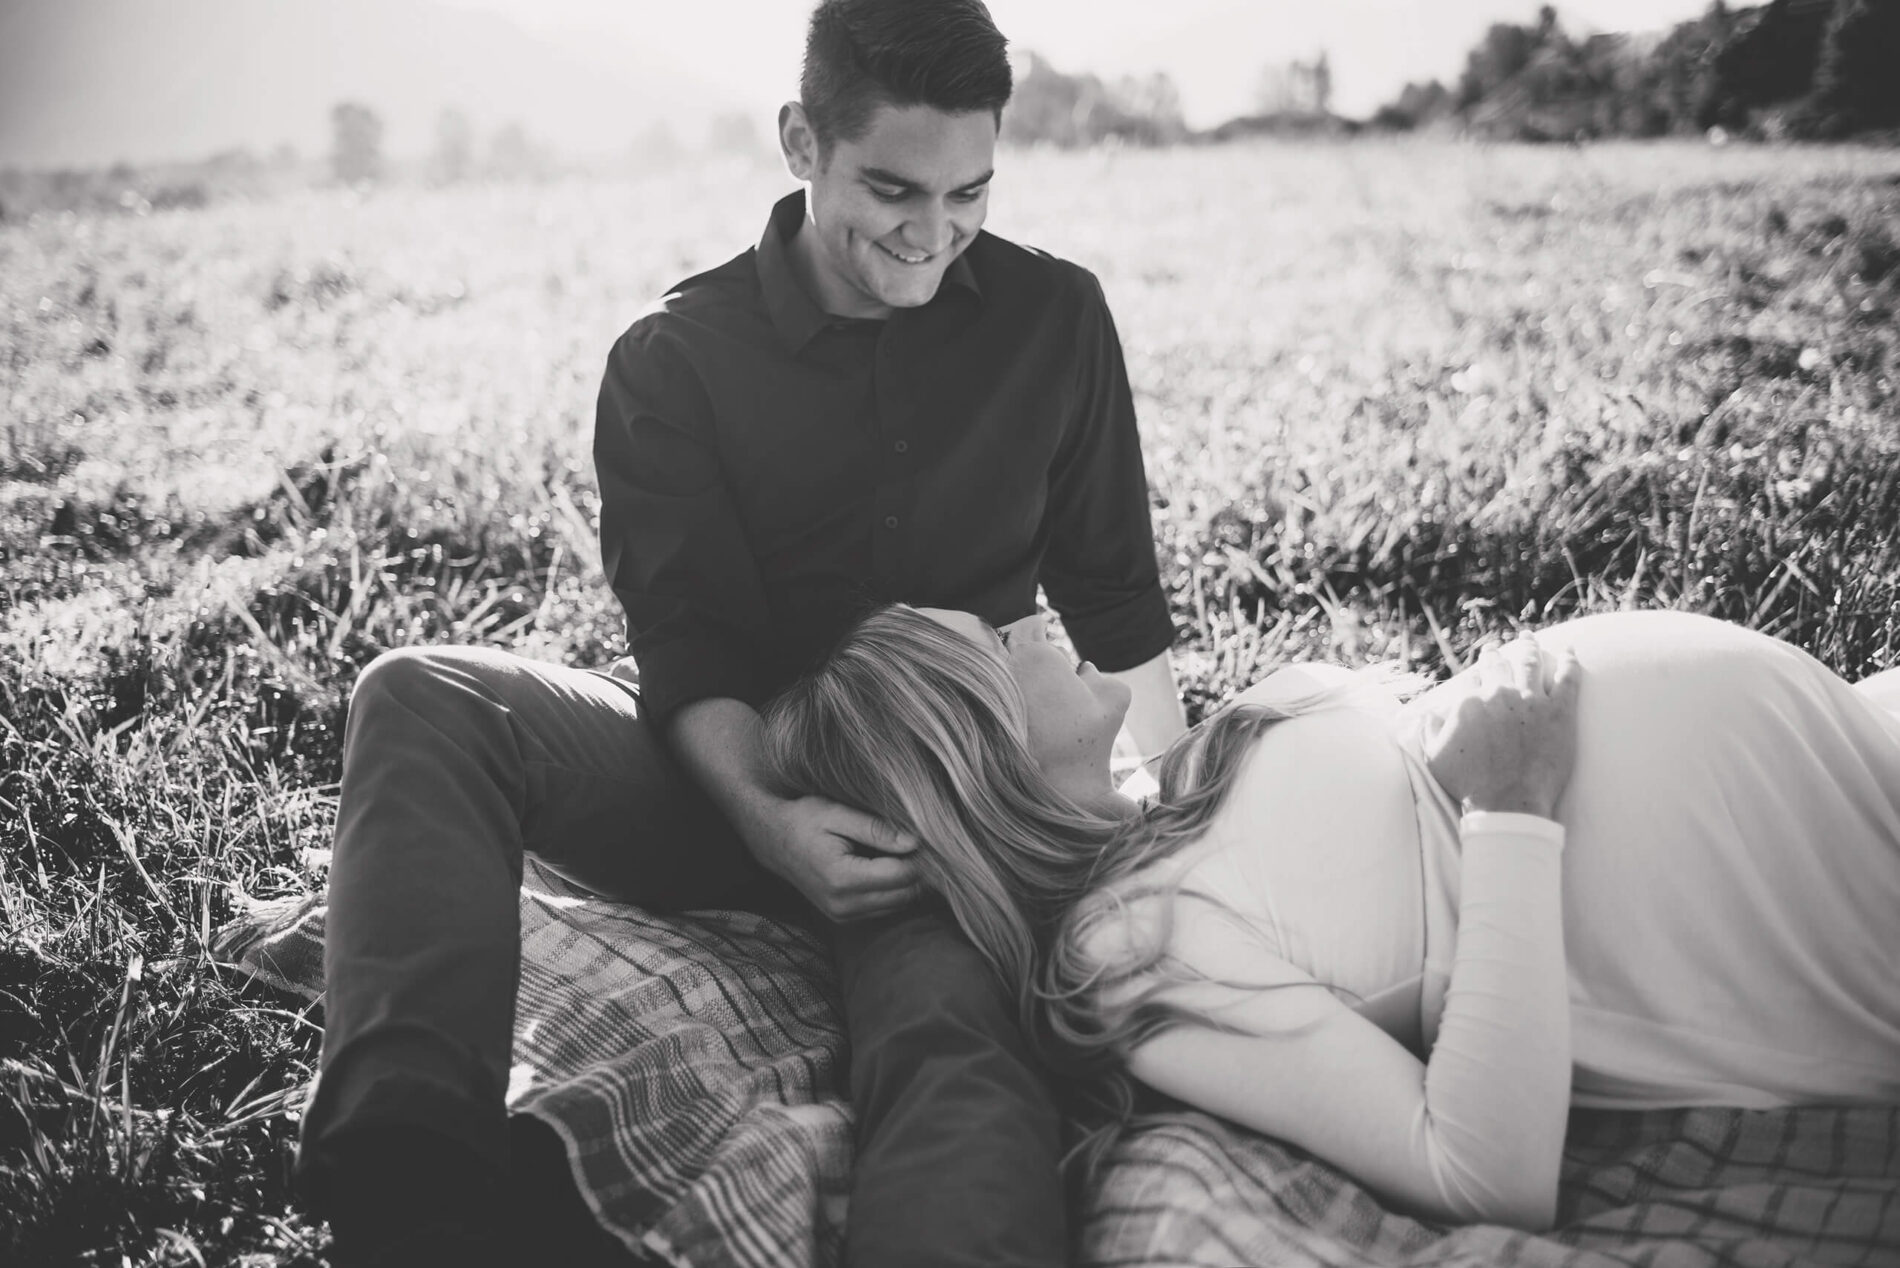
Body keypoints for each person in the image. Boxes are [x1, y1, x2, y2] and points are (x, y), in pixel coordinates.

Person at [297, 1, 1186, 1265]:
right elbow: (689, 644)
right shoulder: (673, 359)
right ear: (798, 142)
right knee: (425, 692)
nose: (932, 235)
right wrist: (770, 824)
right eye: (891, 189)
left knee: (954, 1047)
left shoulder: (1055, 318)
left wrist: (1170, 822)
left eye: (970, 192)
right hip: (725, 776)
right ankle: (406, 1192)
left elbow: (1114, 595)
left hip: (941, 809)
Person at [760, 604, 1900, 1230]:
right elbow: (1478, 1172)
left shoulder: (1175, 785)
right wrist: (1514, 809)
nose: (1028, 616)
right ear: (973, 744)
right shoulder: (1124, 951)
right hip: (1810, 912)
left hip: (1848, 751)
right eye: (993, 640)